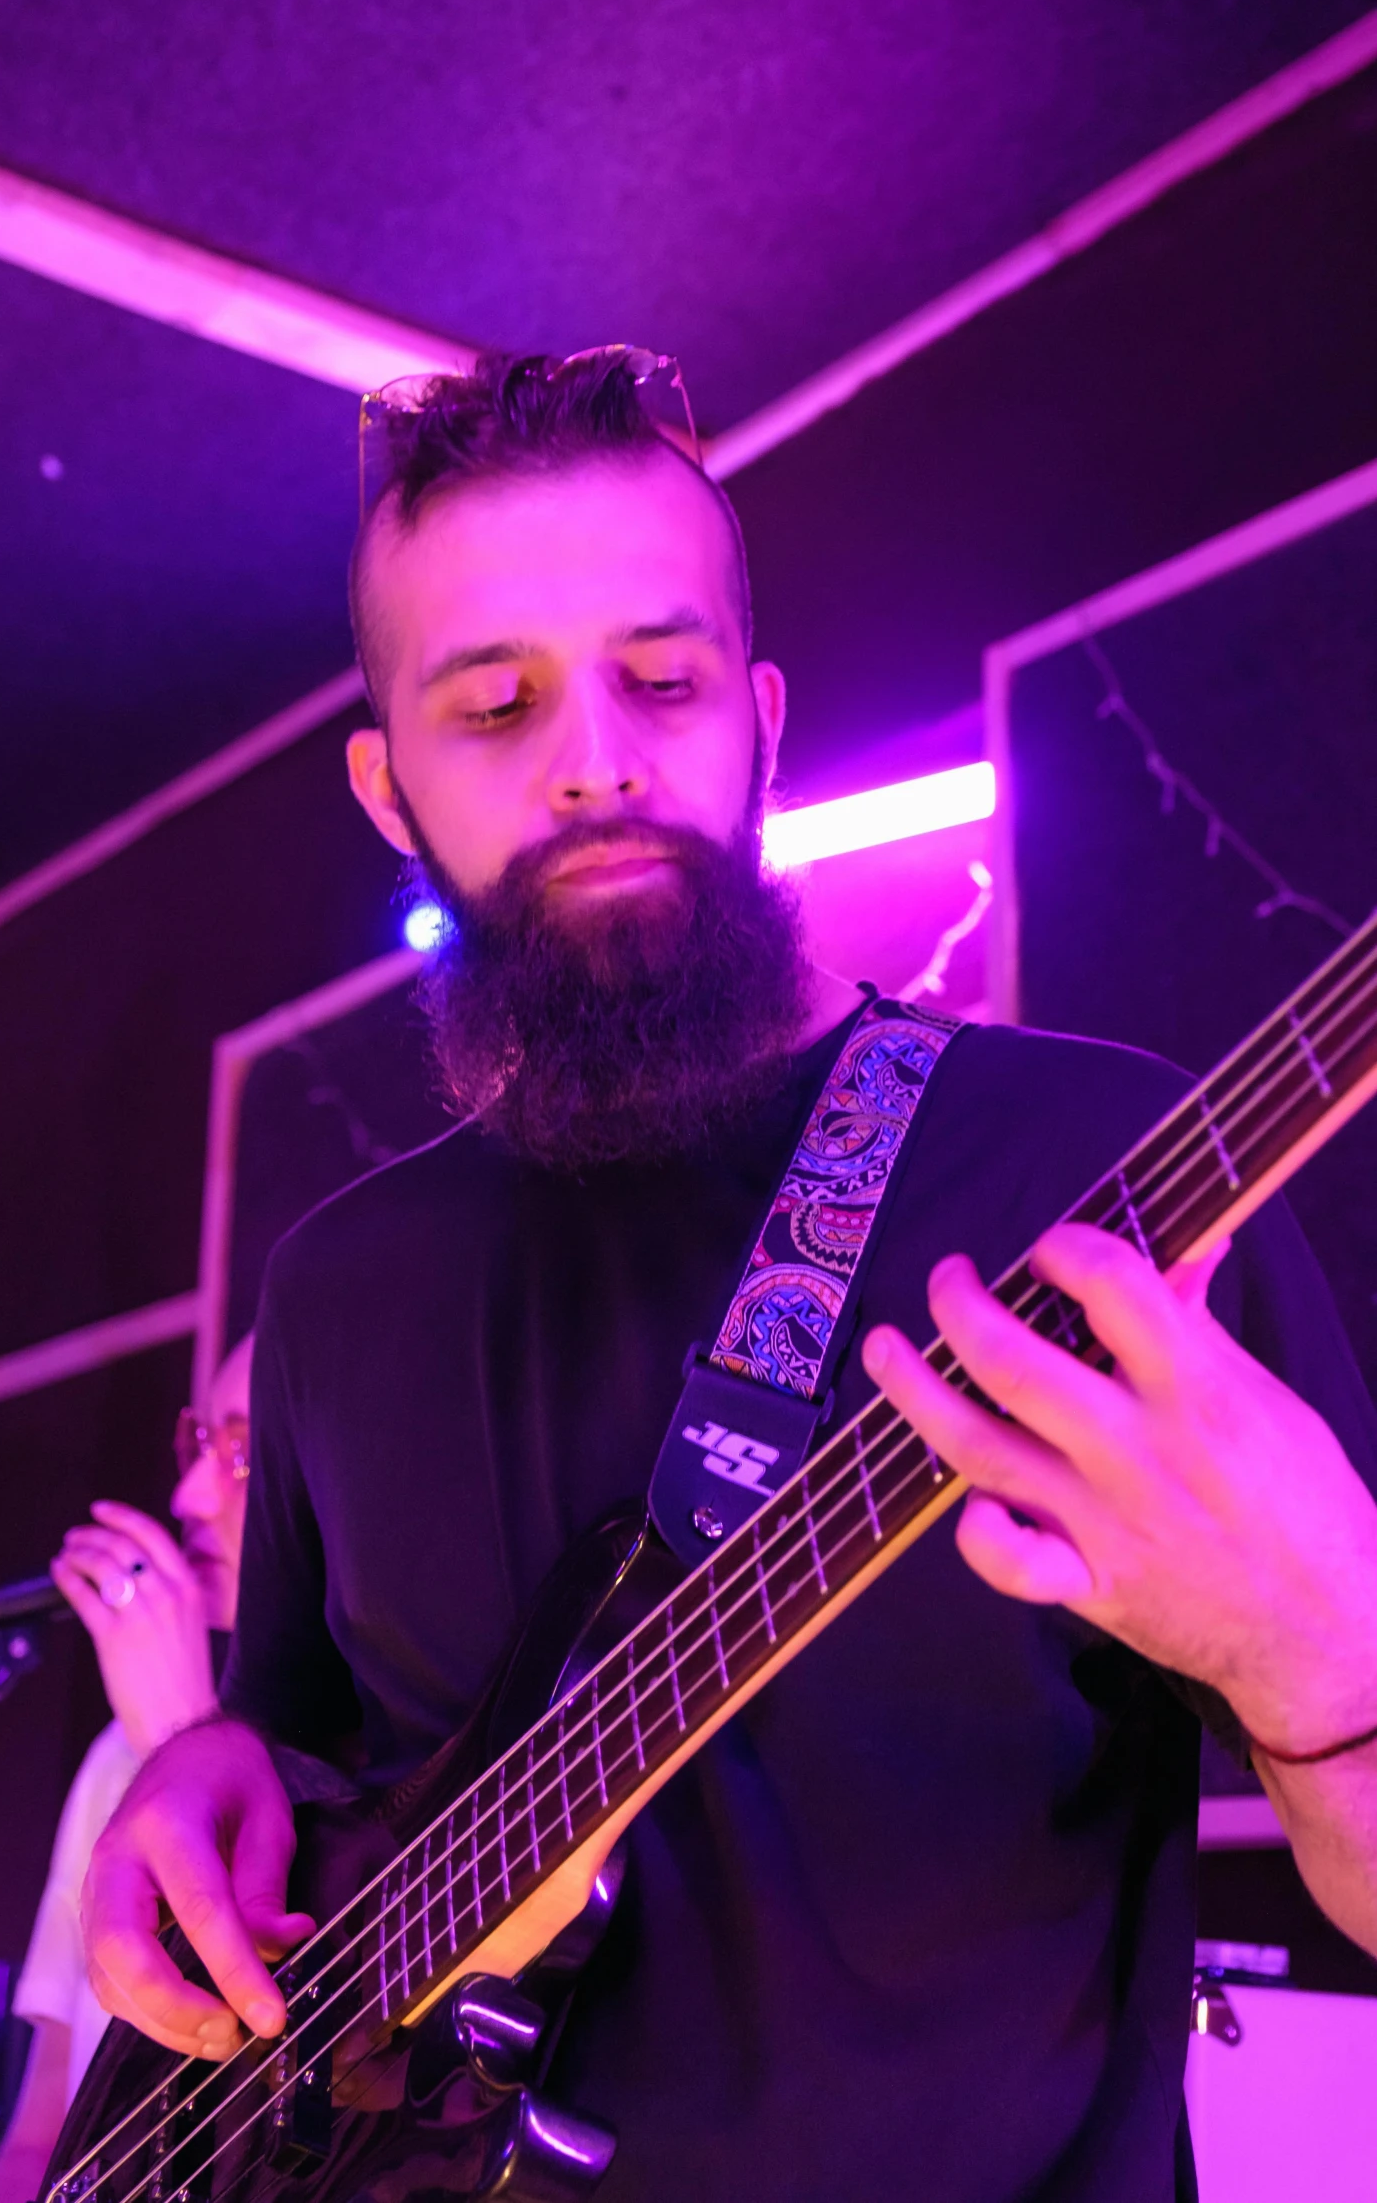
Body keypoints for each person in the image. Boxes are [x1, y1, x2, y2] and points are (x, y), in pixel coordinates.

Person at [82, 352, 1377, 2203]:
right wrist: (191, 1788)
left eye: (659, 679)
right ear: (388, 790)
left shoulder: (1106, 1183)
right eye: (495, 702)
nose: (593, 752)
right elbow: (292, 1777)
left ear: (761, 722)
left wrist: (1324, 1663)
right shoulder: (333, 1289)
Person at [0, 1336, 252, 2203]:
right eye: (197, 1443)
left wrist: (185, 1740)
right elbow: (39, 2137)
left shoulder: (388, 1769)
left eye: (243, 1454)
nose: (188, 1495)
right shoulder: (116, 1760)